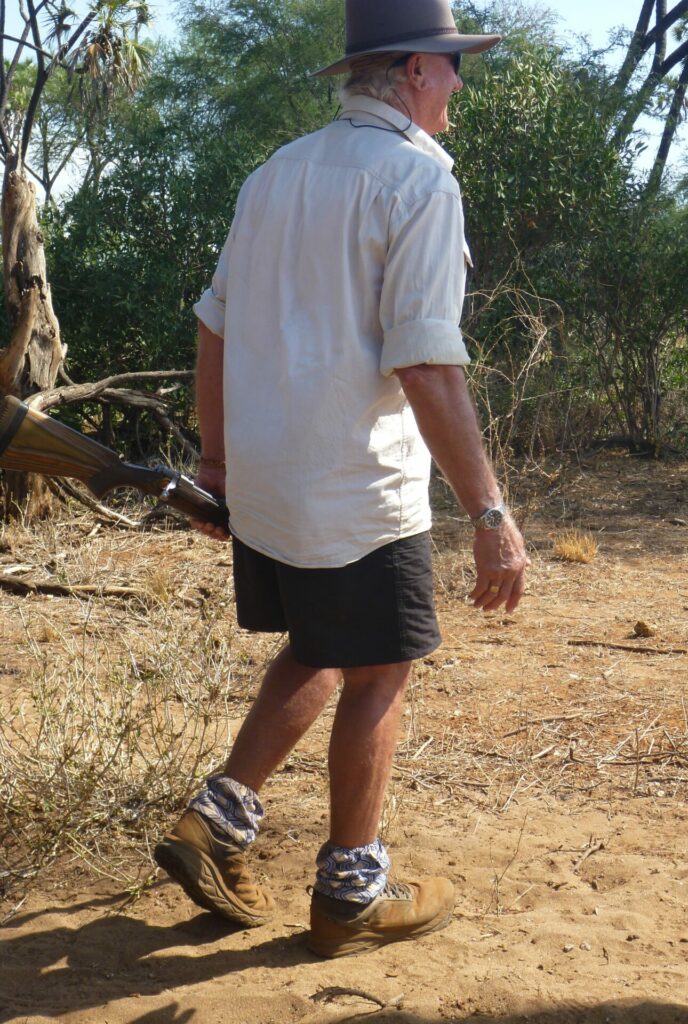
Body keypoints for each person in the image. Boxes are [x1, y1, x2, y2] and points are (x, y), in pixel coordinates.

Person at [154, 0, 529, 959]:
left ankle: (218, 819)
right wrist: (490, 511)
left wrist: (217, 461)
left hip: (273, 483)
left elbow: (214, 324)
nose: (456, 86)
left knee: (319, 648)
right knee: (379, 671)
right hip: (359, 488)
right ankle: (353, 889)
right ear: (409, 71)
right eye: (450, 68)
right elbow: (428, 366)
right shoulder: (416, 180)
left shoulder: (275, 173)